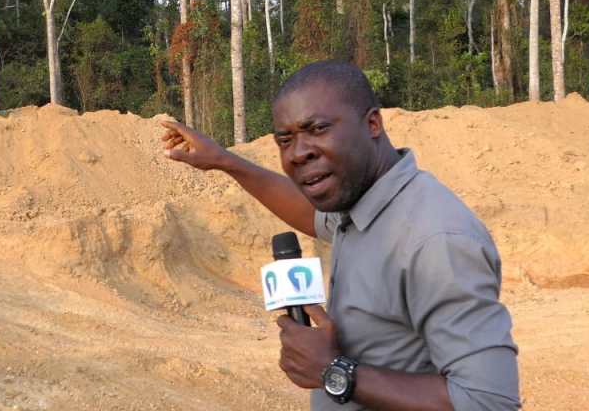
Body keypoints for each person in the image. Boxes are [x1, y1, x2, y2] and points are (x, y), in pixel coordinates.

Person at [160, 61, 519, 411]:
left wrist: (334, 372)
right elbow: (312, 216)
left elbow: (488, 401)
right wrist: (225, 161)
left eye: (317, 129)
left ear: (373, 123)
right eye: (285, 140)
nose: (299, 152)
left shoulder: (435, 239)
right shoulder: (364, 201)